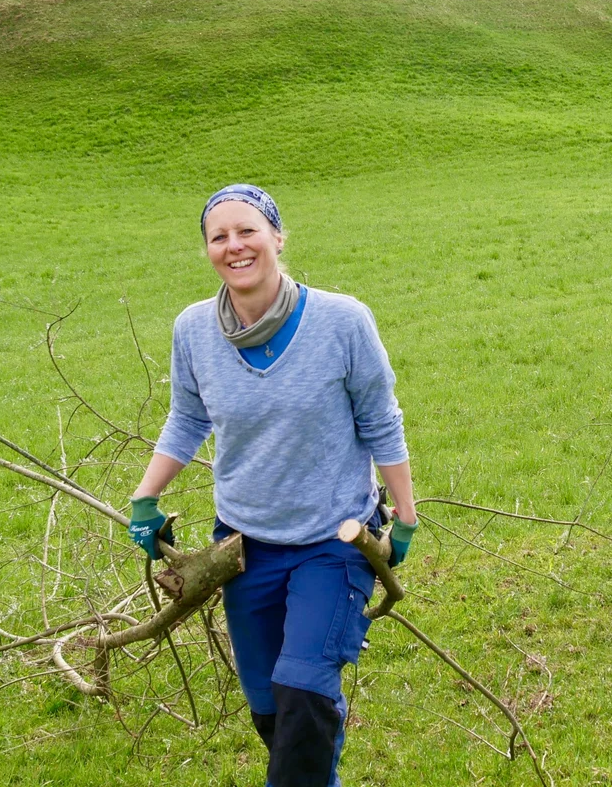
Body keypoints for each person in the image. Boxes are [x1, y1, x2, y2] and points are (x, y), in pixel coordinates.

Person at [125, 184, 418, 787]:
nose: (234, 246)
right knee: (271, 709)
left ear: (278, 237)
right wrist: (144, 498)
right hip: (244, 544)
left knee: (303, 690)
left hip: (331, 540)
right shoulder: (193, 330)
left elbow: (381, 419)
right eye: (219, 236)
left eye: (248, 230)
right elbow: (187, 417)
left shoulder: (342, 320)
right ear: (207, 248)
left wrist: (406, 517)